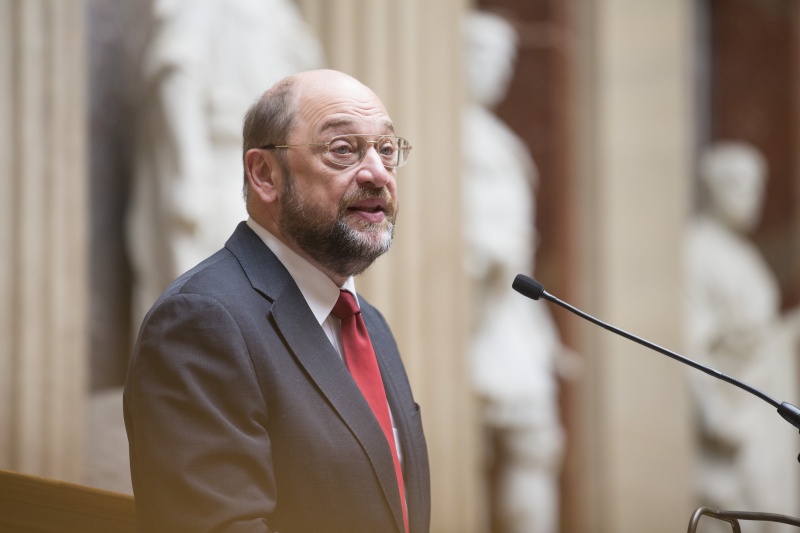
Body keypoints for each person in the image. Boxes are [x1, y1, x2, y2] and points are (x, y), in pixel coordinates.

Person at [124, 69, 431, 533]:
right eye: (342, 149)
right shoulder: (200, 321)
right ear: (265, 174)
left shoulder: (370, 325)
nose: (377, 173)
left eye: (386, 149)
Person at [463, 11, 566, 533]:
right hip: (465, 307)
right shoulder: (439, 136)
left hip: (511, 310)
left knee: (537, 442)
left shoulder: (502, 143)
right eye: (481, 55)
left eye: (505, 61)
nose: (496, 71)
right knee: (460, 446)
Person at [685, 141, 800, 532]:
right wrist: (713, 410)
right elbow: (692, 345)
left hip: (769, 408)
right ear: (714, 189)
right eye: (740, 185)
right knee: (740, 516)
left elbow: (760, 333)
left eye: (757, 186)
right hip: (736, 416)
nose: (753, 197)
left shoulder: (745, 254)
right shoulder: (697, 250)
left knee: (773, 510)